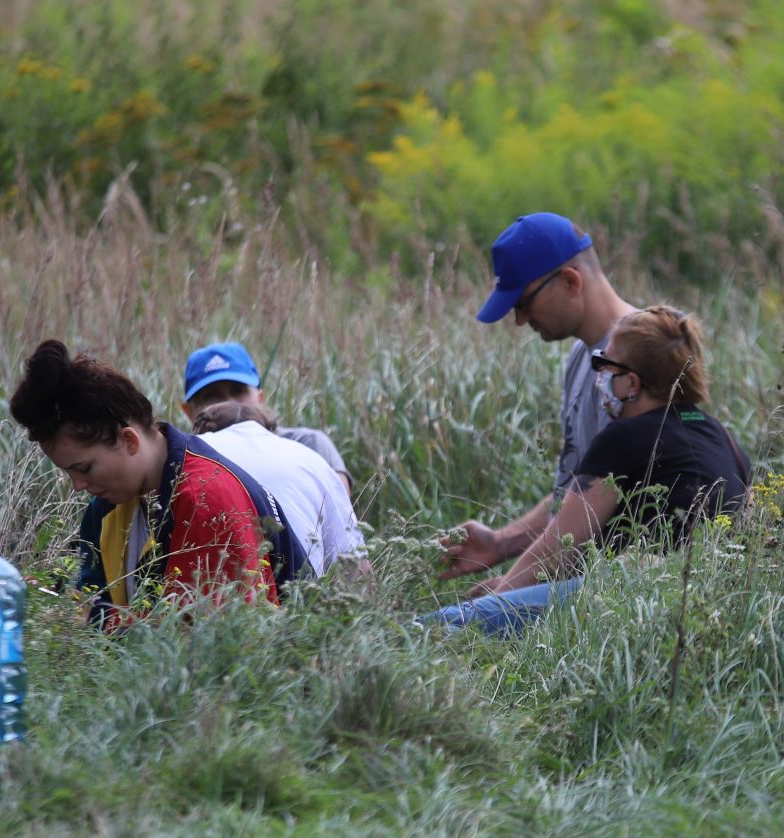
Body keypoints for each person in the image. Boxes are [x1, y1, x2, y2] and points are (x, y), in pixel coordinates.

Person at [425, 305, 750, 636]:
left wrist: (496, 598)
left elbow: (558, 549)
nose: (599, 376)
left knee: (433, 628)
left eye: (603, 364)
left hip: (637, 599)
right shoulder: (723, 437)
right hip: (713, 605)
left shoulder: (625, 436)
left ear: (631, 383)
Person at [9, 339, 309, 628]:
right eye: (69, 472)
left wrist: (90, 622)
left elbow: (208, 637)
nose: (77, 485)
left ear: (129, 440)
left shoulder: (206, 498)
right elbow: (89, 597)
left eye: (84, 468)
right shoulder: (105, 509)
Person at [438, 212, 638, 589]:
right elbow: (580, 490)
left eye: (524, 302)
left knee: (436, 630)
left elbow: (604, 496)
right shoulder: (583, 358)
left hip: (622, 589)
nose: (518, 319)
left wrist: (509, 588)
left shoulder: (643, 357)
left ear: (570, 281)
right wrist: (501, 544)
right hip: (580, 580)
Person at [190, 399, 363, 575]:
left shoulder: (192, 454)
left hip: (212, 586)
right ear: (269, 429)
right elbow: (356, 567)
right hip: (300, 589)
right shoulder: (311, 458)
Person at [182, 342, 353, 496]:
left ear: (260, 398)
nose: (229, 403)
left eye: (238, 391)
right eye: (212, 396)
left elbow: (342, 520)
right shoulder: (181, 463)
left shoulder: (310, 444)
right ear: (189, 412)